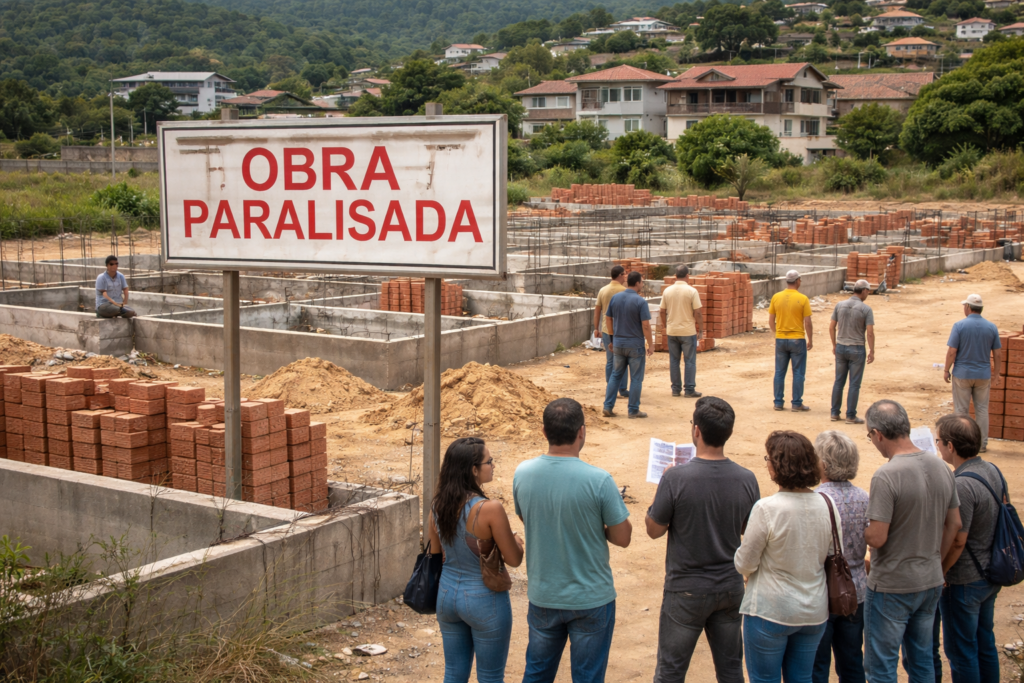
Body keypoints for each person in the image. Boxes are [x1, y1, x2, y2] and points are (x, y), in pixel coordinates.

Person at [513, 398, 632, 683]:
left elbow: (528, 518)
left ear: (544, 432)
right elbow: (623, 537)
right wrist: (595, 527)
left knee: (537, 674)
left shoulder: (523, 473)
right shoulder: (599, 480)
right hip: (591, 598)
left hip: (544, 595)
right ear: (582, 431)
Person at [646, 396, 759, 683]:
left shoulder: (675, 478)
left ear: (696, 431)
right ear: (728, 433)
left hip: (686, 590)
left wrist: (662, 487)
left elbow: (654, 529)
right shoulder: (747, 478)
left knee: (670, 673)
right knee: (731, 671)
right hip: (730, 587)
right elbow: (748, 528)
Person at [862, 399, 962, 683]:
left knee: (881, 667)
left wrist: (859, 529)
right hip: (929, 580)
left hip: (892, 585)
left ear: (878, 434)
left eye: (870, 436)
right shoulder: (941, 467)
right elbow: (955, 524)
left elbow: (877, 538)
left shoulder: (886, 475)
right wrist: (936, 563)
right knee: (922, 661)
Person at [734, 430, 835, 683]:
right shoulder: (827, 504)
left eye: (768, 459)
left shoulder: (767, 508)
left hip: (771, 610)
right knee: (802, 678)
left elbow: (744, 563)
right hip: (813, 610)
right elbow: (832, 553)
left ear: (777, 466)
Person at [428, 437, 524, 683]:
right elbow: (514, 559)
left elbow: (436, 554)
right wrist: (516, 542)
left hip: (447, 595)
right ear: (473, 469)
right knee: (491, 677)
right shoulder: (490, 508)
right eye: (489, 461)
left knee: (453, 673)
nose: (493, 465)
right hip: (484, 599)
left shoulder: (437, 505)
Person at [936, 413, 1005, 683]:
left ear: (951, 446)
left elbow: (957, 540)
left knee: (962, 651)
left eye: (938, 441)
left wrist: (941, 571)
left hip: (964, 580)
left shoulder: (961, 484)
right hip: (990, 572)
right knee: (985, 643)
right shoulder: (993, 470)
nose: (937, 446)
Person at [812, 431, 870, 683]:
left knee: (817, 665)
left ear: (823, 464)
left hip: (822, 592)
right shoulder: (864, 497)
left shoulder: (815, 499)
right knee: (852, 661)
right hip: (856, 590)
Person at [944, 294, 1002, 453]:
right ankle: (982, 444)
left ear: (968, 307)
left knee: (961, 411)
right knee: (982, 410)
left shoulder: (959, 326)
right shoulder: (991, 327)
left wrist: (946, 370)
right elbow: (997, 354)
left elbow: (952, 351)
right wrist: (997, 374)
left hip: (962, 375)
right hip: (983, 375)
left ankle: (961, 443)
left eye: (965, 306)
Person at [603, 271, 654, 419]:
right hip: (635, 345)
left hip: (618, 344)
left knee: (615, 375)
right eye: (642, 282)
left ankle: (608, 406)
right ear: (637, 283)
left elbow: (608, 318)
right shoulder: (640, 302)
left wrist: (612, 339)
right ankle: (633, 410)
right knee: (636, 378)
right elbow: (646, 325)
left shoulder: (616, 298)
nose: (642, 284)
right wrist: (651, 344)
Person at [829, 280, 875, 425]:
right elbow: (870, 333)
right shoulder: (866, 309)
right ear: (864, 291)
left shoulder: (839, 305)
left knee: (839, 381)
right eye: (868, 291)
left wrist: (834, 344)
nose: (868, 293)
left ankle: (834, 413)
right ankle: (850, 416)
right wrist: (872, 350)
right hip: (857, 348)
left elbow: (831, 327)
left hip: (841, 347)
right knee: (854, 384)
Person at [769, 270, 813, 412]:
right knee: (798, 373)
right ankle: (796, 403)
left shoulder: (776, 297)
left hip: (781, 339)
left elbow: (771, 320)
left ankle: (778, 402)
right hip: (797, 340)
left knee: (779, 372)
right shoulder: (803, 299)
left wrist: (776, 334)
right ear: (798, 281)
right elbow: (808, 322)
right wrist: (810, 339)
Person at [660, 264, 704, 398]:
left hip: (672, 331)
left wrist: (666, 326)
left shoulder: (667, 291)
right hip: (687, 331)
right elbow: (698, 312)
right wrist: (701, 329)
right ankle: (689, 390)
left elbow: (662, 311)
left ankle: (675, 389)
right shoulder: (692, 291)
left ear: (675, 276)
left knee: (674, 361)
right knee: (689, 361)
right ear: (687, 276)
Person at [594, 265, 629, 399]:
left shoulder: (603, 290)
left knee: (610, 360)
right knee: (623, 360)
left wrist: (596, 328)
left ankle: (610, 388)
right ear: (620, 275)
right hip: (621, 330)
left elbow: (597, 311)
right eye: (624, 274)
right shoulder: (624, 291)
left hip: (606, 330)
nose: (625, 277)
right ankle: (622, 389)